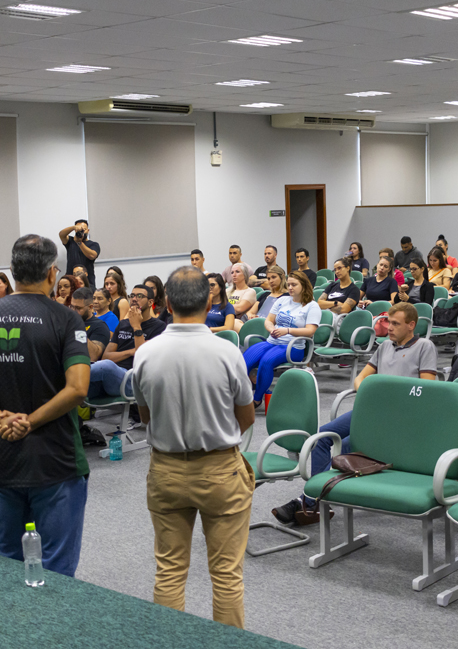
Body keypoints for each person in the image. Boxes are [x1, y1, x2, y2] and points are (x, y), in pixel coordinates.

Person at [0, 234, 91, 578]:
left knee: (4, 563)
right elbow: (77, 388)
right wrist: (31, 421)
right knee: (57, 569)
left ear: (12, 271)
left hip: (1, 458)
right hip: (56, 460)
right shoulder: (66, 319)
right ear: (52, 273)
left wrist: (1, 418)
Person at [132, 266, 256, 629]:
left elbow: (146, 416)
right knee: (226, 575)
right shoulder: (227, 352)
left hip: (166, 470)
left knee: (169, 571)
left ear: (167, 304)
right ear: (209, 302)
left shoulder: (146, 353)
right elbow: (246, 416)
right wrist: (216, 434)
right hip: (220, 470)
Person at [272, 302, 436, 525]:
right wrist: (367, 392)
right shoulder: (385, 347)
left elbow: (427, 388)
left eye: (396, 324)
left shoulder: (424, 346)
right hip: (372, 410)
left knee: (347, 446)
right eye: (388, 322)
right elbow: (361, 378)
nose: (389, 327)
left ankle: (310, 501)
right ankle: (315, 499)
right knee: (321, 437)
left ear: (411, 325)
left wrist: (389, 395)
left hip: (399, 418)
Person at [88, 285, 167, 422]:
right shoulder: (123, 324)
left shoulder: (159, 327)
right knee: (78, 390)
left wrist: (136, 326)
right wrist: (131, 351)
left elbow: (141, 358)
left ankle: (66, 374)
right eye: (132, 295)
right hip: (111, 377)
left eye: (139, 296)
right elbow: (107, 356)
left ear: (150, 302)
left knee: (105, 366)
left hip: (133, 380)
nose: (134, 299)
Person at [243, 272, 319, 406]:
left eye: (294, 285)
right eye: (288, 284)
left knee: (266, 361)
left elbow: (310, 331)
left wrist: (287, 331)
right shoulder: (282, 300)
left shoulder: (312, 306)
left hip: (293, 346)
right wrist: (271, 329)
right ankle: (241, 396)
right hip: (272, 341)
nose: (290, 288)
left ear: (304, 285)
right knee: (244, 361)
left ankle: (257, 399)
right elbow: (268, 320)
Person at [71, 287, 111, 364]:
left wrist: (77, 327)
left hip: (85, 367)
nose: (73, 311)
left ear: (90, 307)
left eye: (78, 308)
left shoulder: (100, 326)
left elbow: (93, 356)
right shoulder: (67, 322)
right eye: (72, 306)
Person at [59, 219, 100, 288]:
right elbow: (61, 235)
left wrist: (79, 243)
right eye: (79, 230)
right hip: (71, 282)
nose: (82, 232)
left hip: (88, 283)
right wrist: (73, 227)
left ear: (88, 230)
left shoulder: (93, 244)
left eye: (84, 229)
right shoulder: (71, 241)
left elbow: (92, 255)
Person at [228, 263, 257, 332]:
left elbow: (240, 308)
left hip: (240, 322)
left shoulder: (250, 291)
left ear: (244, 275)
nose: (234, 275)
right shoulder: (227, 291)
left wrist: (223, 307)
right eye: (232, 272)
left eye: (237, 272)